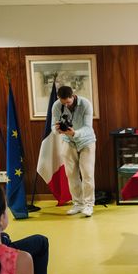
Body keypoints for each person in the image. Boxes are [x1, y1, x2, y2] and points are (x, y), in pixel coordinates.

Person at [52, 85, 96, 217]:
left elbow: (88, 128)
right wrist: (58, 130)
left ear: (73, 96)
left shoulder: (85, 104)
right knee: (71, 174)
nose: (66, 104)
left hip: (86, 141)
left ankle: (88, 205)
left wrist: (75, 133)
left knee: (87, 174)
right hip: (68, 141)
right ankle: (78, 203)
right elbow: (53, 127)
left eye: (68, 102)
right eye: (63, 102)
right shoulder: (56, 106)